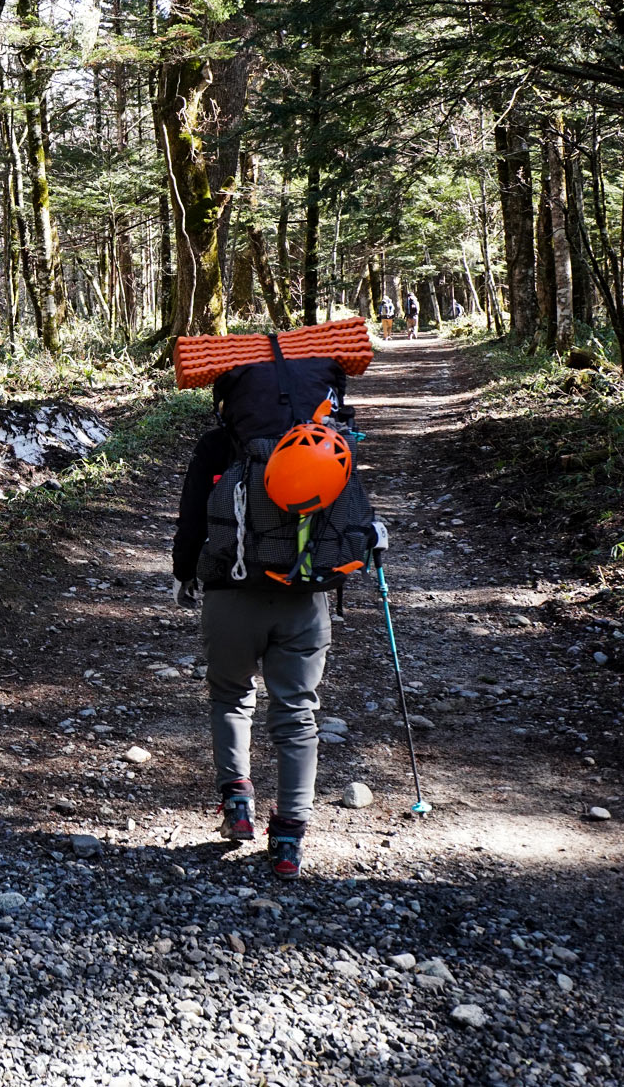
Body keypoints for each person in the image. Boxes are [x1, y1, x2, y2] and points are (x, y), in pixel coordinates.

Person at [170, 364, 384, 881]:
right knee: (297, 714)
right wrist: (375, 538)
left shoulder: (218, 445)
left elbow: (192, 517)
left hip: (230, 594)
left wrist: (183, 572)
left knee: (230, 697)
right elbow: (353, 516)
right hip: (304, 598)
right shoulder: (328, 443)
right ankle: (289, 838)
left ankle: (237, 806)